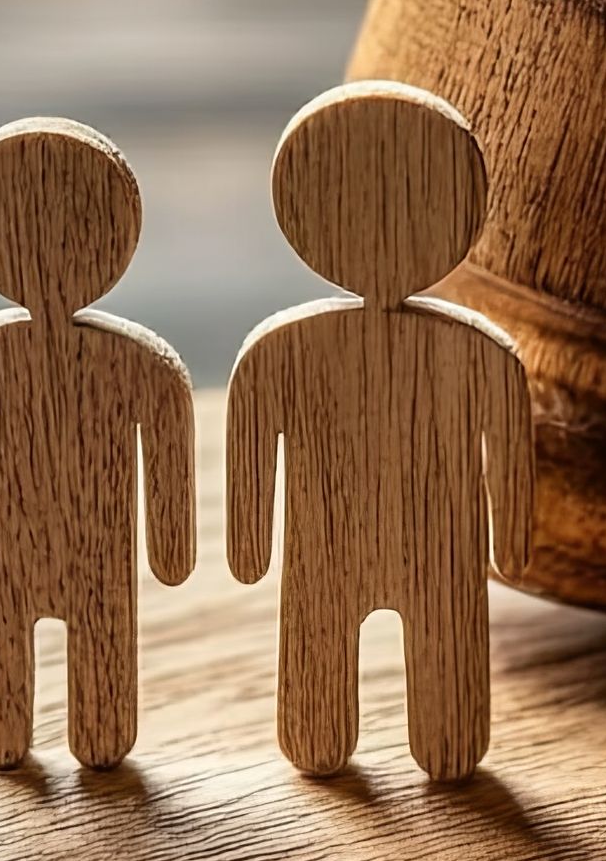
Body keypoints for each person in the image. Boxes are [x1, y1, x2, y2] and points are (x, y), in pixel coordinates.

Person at [228, 83, 533, 781]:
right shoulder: (474, 353)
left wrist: (249, 546)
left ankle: (419, 741)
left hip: (385, 548)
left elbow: (507, 443)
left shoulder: (289, 350)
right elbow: (255, 436)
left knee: (419, 669)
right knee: (341, 677)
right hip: (377, 547)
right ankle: (362, 738)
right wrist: (513, 543)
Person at [0, 116, 195, 767]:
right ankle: (37, 735)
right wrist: (172, 550)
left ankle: (68, 735)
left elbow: (166, 443)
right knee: (32, 673)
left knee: (80, 684)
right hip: (58, 554)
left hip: (56, 555)